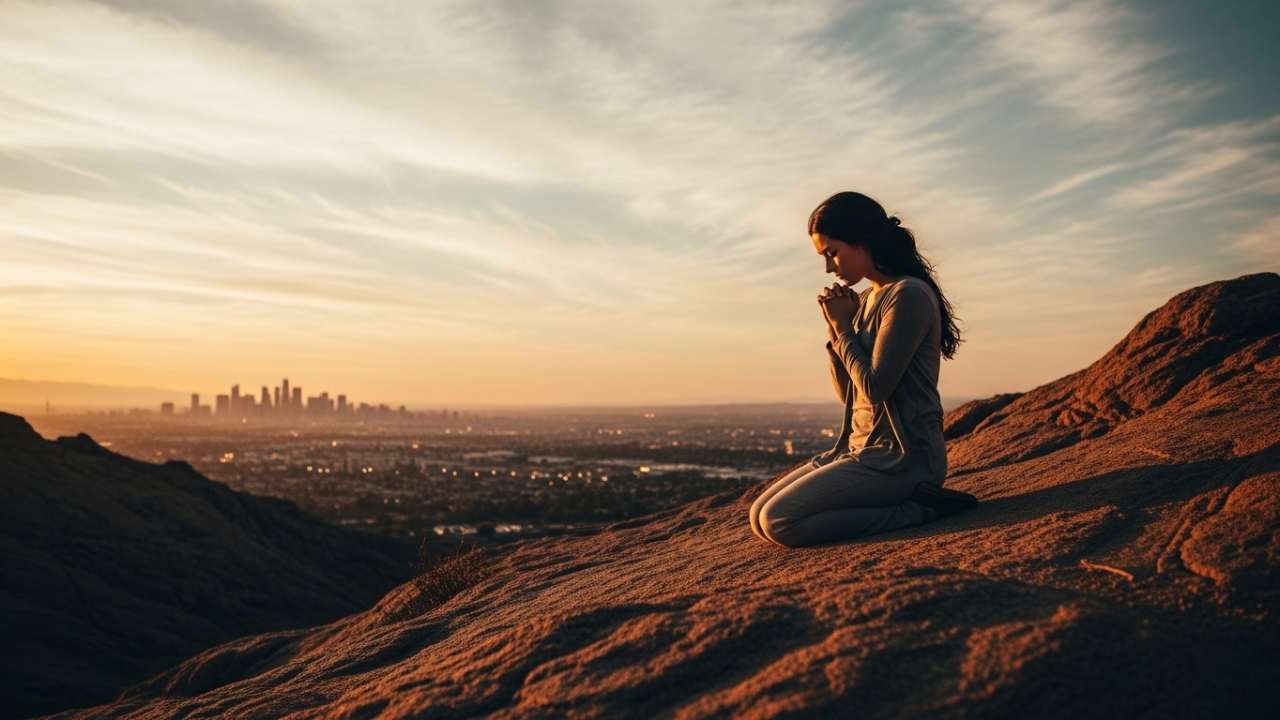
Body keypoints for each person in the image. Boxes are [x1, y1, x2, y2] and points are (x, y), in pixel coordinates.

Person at [750, 191, 978, 548]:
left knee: (779, 520)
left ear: (863, 241)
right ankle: (905, 505)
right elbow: (850, 395)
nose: (829, 267)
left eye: (832, 253)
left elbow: (875, 387)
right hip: (860, 450)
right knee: (758, 517)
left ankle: (918, 510)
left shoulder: (907, 295)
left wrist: (844, 329)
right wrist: (834, 331)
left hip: (903, 459)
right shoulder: (868, 299)